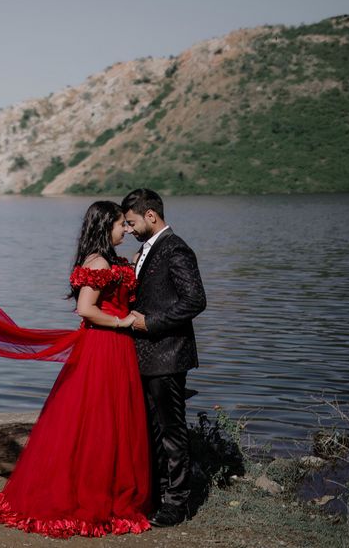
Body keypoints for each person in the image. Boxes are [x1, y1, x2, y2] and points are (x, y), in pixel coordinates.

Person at [0, 200, 152, 538]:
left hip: (114, 347)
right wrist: (123, 323)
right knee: (96, 420)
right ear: (106, 226)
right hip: (104, 345)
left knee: (111, 420)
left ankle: (107, 490)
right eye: (122, 225)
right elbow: (86, 309)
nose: (127, 230)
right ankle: (86, 496)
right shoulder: (99, 262)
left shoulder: (111, 260)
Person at [121, 188, 206, 528]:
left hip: (168, 355)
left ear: (150, 216)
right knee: (152, 430)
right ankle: (157, 495)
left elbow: (195, 300)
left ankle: (177, 503)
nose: (127, 230)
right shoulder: (146, 250)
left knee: (171, 431)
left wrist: (150, 322)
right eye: (125, 225)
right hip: (147, 356)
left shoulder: (176, 249)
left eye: (131, 222)